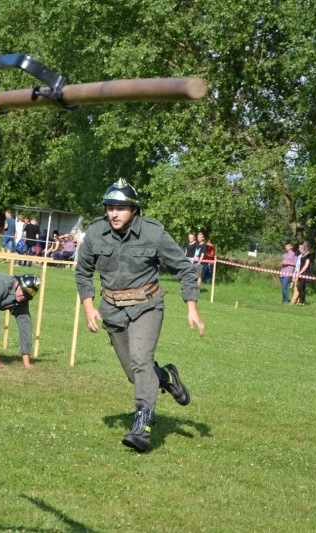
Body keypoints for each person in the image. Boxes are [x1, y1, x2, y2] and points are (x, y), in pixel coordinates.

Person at [75, 178, 205, 453]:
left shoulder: (153, 233)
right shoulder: (96, 233)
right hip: (112, 310)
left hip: (147, 305)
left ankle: (142, 427)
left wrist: (191, 306)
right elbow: (83, 271)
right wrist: (89, 306)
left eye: (120, 208)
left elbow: (184, 268)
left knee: (141, 360)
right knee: (136, 374)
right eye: (110, 207)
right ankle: (167, 377)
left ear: (134, 209)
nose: (114, 213)